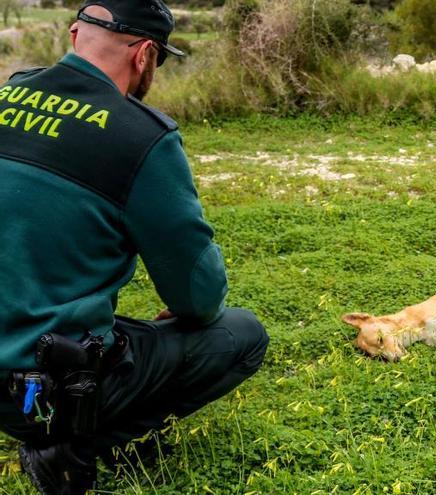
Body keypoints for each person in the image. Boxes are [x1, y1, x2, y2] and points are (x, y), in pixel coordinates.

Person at [0, 0, 269, 493]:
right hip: (43, 380)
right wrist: (187, 303)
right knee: (240, 333)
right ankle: (68, 436)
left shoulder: (6, 96)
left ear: (75, 35)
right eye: (159, 59)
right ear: (145, 54)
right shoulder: (139, 136)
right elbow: (200, 295)